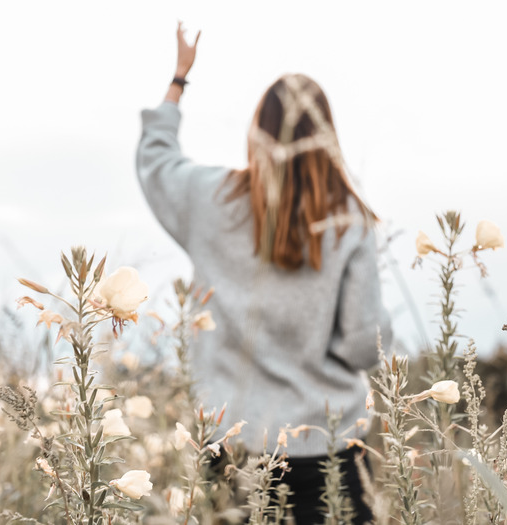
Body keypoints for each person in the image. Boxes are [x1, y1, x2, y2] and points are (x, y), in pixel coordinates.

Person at [136, 23, 393, 524]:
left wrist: (179, 79)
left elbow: (154, 159)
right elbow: (367, 345)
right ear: (327, 134)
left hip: (230, 446)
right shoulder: (349, 223)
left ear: (257, 131)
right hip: (328, 448)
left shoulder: (212, 200)